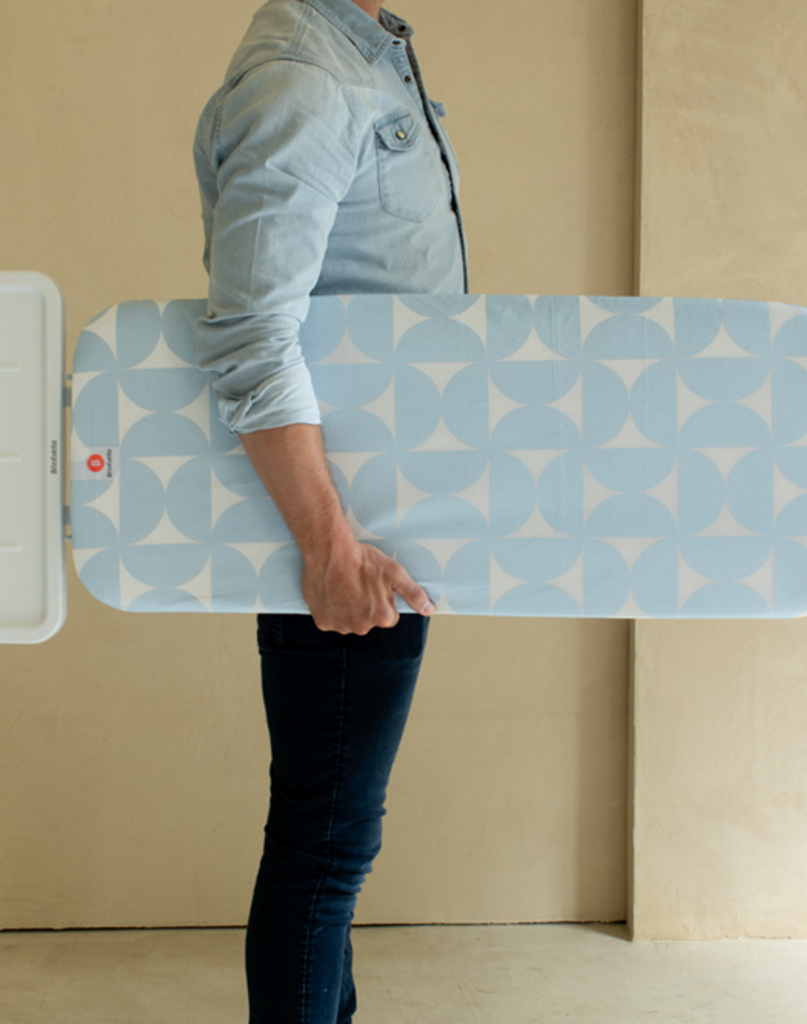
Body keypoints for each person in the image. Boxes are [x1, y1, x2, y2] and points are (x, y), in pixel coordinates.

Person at [192, 0, 467, 1019]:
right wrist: (328, 547)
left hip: (378, 523)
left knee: (331, 838)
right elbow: (249, 334)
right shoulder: (305, 78)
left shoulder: (370, 61)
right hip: (345, 532)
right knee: (324, 844)